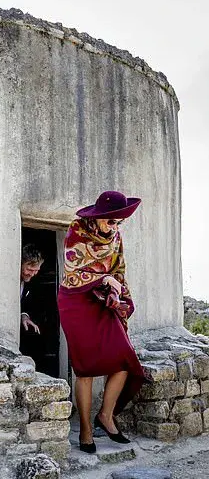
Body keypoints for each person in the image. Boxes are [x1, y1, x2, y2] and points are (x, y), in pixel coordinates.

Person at [57, 190, 147, 454]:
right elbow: (73, 270)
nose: (115, 226)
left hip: (103, 301)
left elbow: (118, 270)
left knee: (123, 360)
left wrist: (122, 296)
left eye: (119, 222)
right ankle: (85, 430)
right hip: (76, 301)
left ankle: (105, 416)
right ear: (98, 217)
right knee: (85, 368)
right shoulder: (77, 232)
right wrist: (104, 279)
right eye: (111, 221)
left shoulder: (116, 237)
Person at [20, 243, 44, 335]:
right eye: (29, 270)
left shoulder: (32, 282)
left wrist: (24, 316)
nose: (32, 274)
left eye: (36, 271)